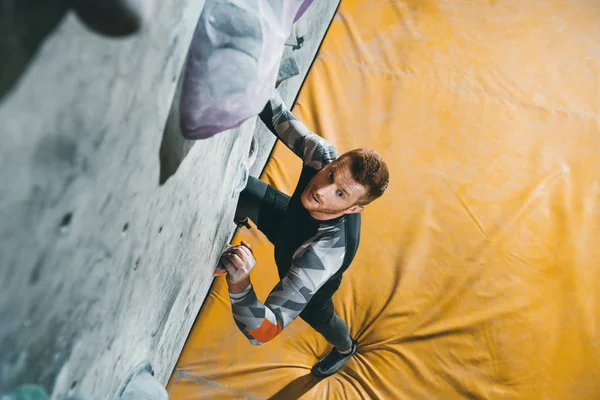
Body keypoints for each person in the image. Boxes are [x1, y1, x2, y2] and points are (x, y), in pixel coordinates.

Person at [216, 89, 389, 378]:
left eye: (340, 194)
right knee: (243, 191)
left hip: (308, 268)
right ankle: (230, 234)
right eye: (331, 174)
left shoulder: (323, 255)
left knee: (324, 319)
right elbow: (276, 112)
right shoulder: (322, 156)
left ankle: (346, 348)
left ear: (353, 209)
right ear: (333, 163)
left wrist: (240, 281)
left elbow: (262, 331)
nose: (320, 190)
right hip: (289, 220)